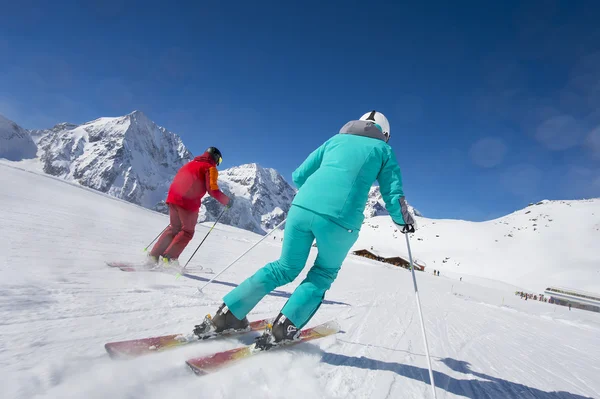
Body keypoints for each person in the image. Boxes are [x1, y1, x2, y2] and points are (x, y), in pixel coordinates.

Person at [194, 111, 416, 349]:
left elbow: (299, 175)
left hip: (301, 209)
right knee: (322, 273)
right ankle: (283, 329)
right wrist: (404, 221)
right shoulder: (383, 150)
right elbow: (392, 192)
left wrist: (314, 194)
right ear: (385, 134)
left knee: (284, 267)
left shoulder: (335, 140)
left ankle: (227, 316)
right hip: (341, 220)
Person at [148, 147, 231, 266]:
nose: (218, 164)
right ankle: (169, 259)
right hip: (187, 201)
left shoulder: (191, 164)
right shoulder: (210, 168)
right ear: (216, 157)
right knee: (187, 231)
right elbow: (212, 190)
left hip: (172, 197)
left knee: (174, 228)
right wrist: (226, 201)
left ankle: (153, 256)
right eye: (220, 160)